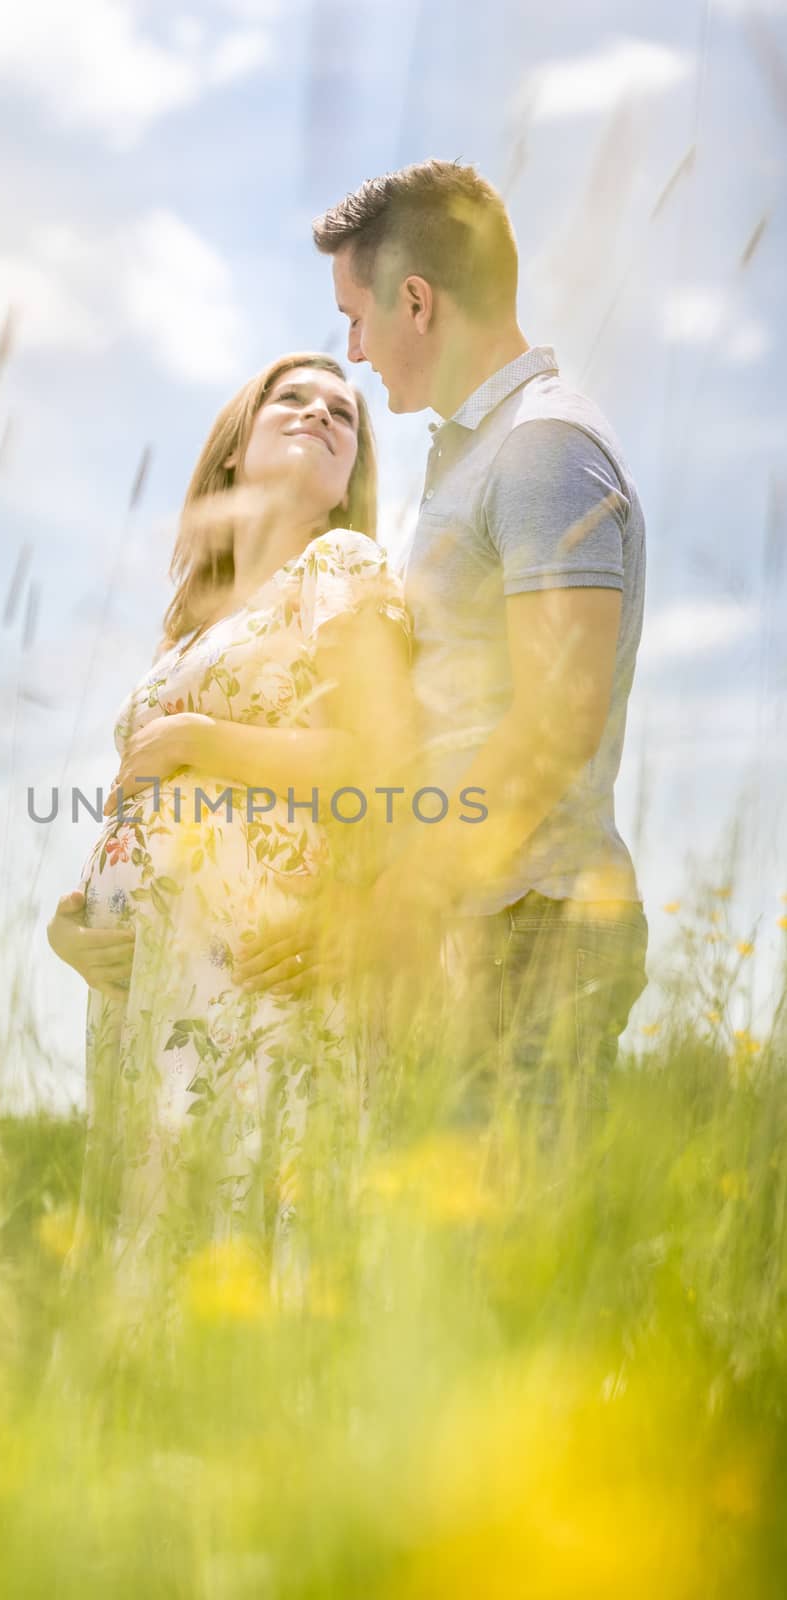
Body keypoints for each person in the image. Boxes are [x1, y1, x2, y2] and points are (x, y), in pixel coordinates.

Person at [237, 160, 648, 1132]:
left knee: (508, 1271)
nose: (352, 348)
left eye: (355, 316)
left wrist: (393, 908)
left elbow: (554, 725)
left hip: (530, 934)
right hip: (477, 931)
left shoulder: (542, 448)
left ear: (414, 301)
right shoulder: (474, 460)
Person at [47, 352, 414, 1275]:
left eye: (345, 414)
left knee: (245, 1235)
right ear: (230, 456)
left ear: (348, 482)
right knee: (154, 1243)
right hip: (147, 999)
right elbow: (147, 803)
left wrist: (202, 740)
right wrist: (74, 925)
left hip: (261, 976)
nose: (322, 413)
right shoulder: (188, 634)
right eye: (291, 399)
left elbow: (383, 760)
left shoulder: (340, 565)